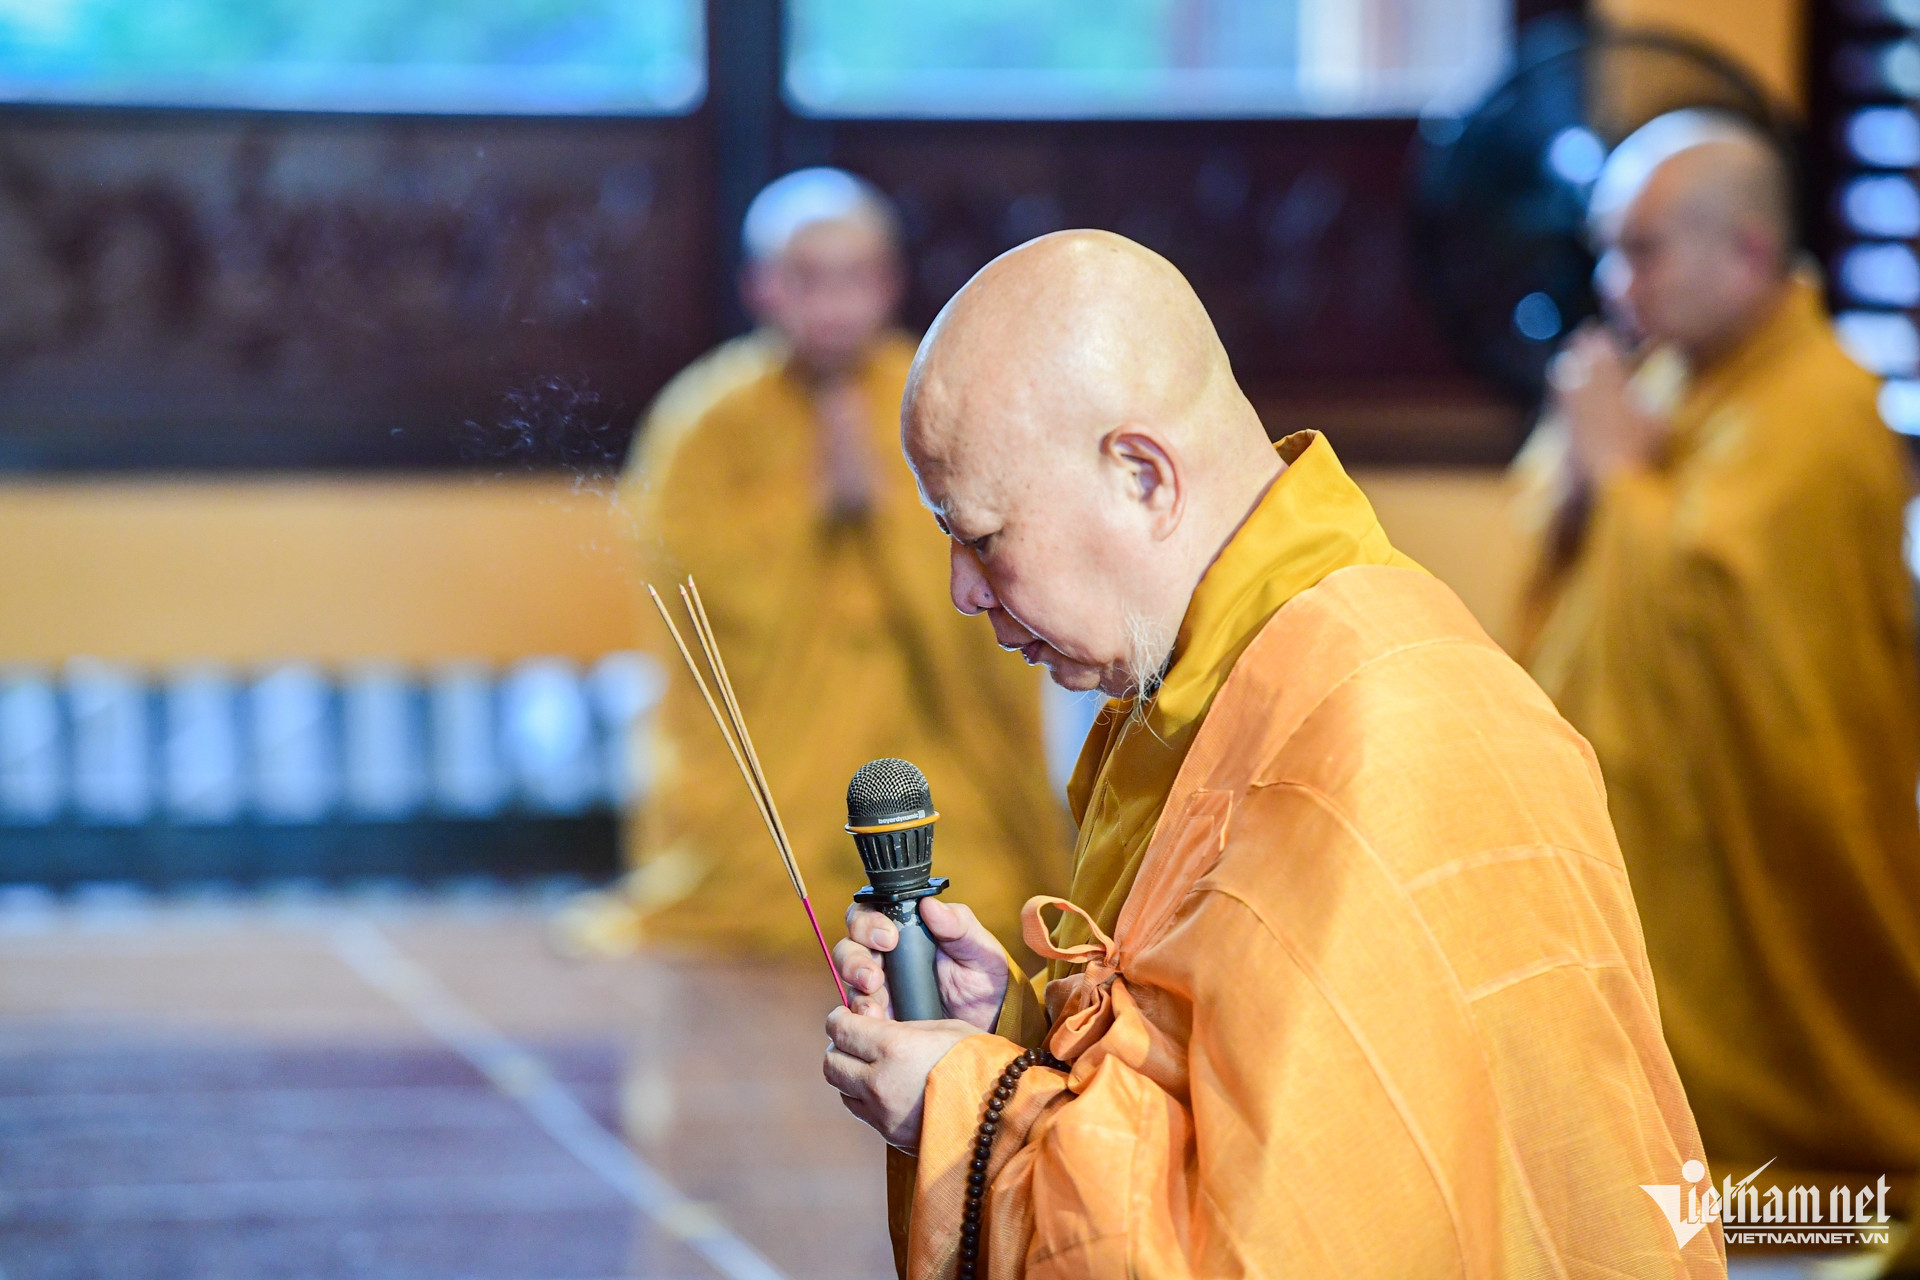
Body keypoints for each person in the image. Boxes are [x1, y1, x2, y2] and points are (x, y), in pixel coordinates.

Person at [823, 230, 1721, 1278]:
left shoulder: (1378, 733)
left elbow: (1264, 1248)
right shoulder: (1228, 677)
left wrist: (966, 1107)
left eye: (981, 536)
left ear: (1144, 477)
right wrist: (999, 1048)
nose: (962, 591)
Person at [1514, 110, 1920, 1194]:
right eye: (1608, 247)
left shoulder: (1825, 413)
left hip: (1771, 849)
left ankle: (1813, 1192)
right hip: (1648, 833)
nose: (1614, 281)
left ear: (1744, 249)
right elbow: (1565, 569)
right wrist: (1599, 469)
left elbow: (1721, 621)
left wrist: (1620, 473)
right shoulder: (1667, 379)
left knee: (1795, 1177)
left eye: (1640, 249)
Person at [558, 168, 1064, 958]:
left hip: (932, 738)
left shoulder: (943, 397)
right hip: (773, 768)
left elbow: (1018, 552)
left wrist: (894, 518)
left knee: (982, 889)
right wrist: (810, 511)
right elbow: (688, 579)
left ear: (890, 283)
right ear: (761, 287)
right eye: (806, 280)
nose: (832, 306)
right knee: (748, 889)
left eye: (854, 278)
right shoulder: (707, 420)